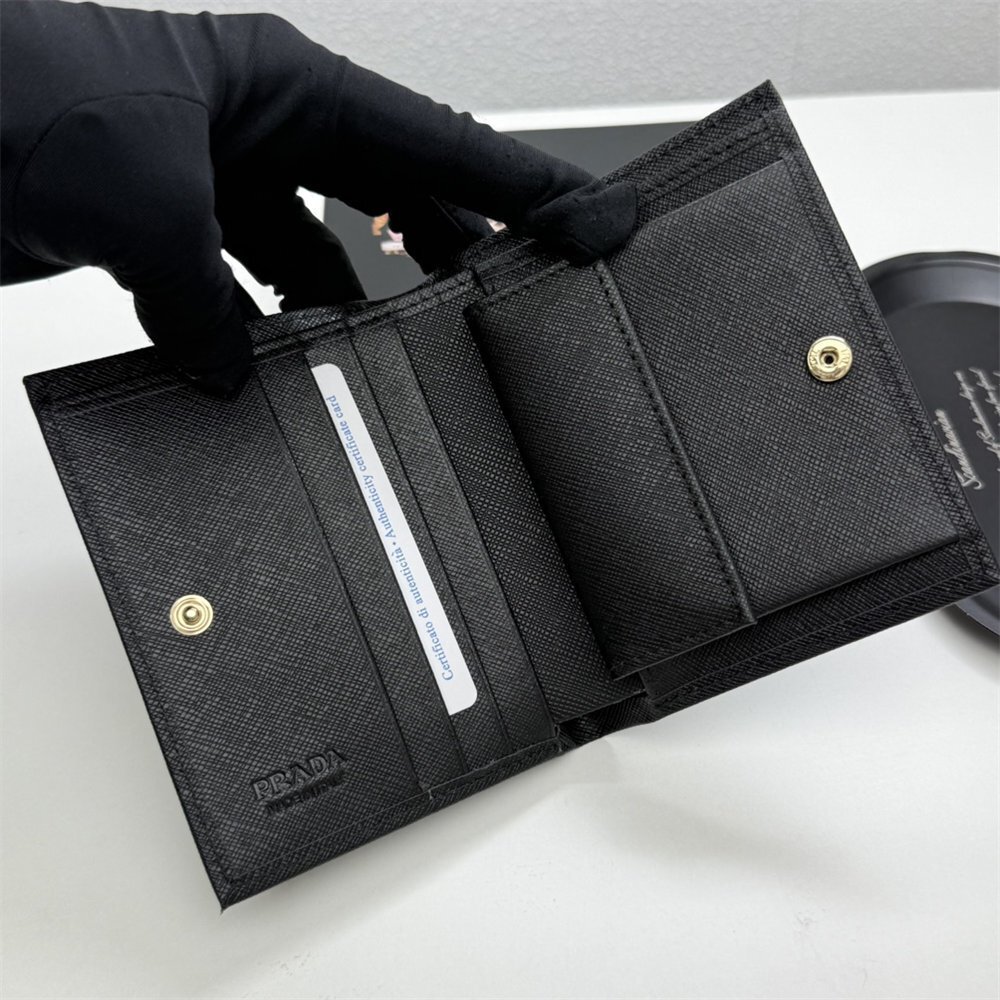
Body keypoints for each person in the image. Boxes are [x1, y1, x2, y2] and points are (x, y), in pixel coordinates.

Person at [1, 1, 636, 395]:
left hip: (110, 135)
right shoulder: (100, 150)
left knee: (258, 332)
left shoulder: (101, 147)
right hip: (105, 141)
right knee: (242, 342)